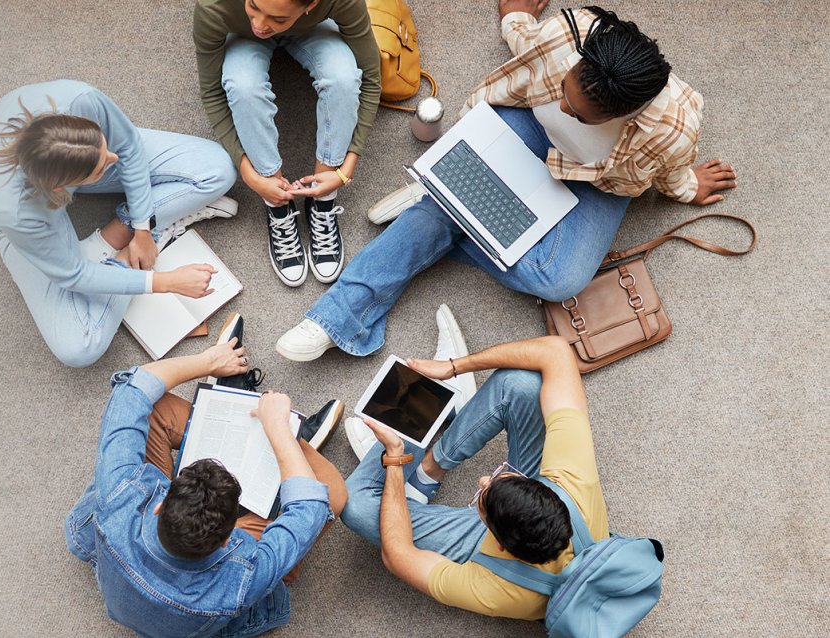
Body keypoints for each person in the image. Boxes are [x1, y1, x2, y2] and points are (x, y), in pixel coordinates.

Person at [274, 2, 738, 362]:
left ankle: (443, 203)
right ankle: (338, 317)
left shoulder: (671, 130)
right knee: (459, 215)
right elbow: (529, 48)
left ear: (621, 114)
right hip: (521, 128)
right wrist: (514, 16)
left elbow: (667, 168)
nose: (563, 108)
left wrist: (684, 186)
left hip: (599, 179)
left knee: (560, 280)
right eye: (564, 92)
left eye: (578, 114)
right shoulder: (568, 35)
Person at [65, 336, 348, 637]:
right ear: (230, 539)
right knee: (332, 490)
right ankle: (282, 436)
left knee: (154, 406)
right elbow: (313, 508)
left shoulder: (120, 495)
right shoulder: (241, 577)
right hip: (215, 615)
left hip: (122, 565)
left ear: (161, 505)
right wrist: (278, 428)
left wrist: (207, 361)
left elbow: (131, 391)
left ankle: (234, 413)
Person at [0, 80, 239, 367]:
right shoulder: (17, 214)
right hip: (26, 213)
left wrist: (143, 227)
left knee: (217, 170)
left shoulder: (79, 100)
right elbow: (73, 275)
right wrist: (163, 282)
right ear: (64, 188)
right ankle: (124, 254)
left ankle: (125, 230)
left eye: (103, 146)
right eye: (102, 166)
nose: (114, 158)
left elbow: (128, 147)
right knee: (79, 347)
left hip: (65, 171)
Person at [340, 335, 612, 621]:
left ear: (498, 545)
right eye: (498, 477)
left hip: (515, 566)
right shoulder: (573, 477)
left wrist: (395, 457)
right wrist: (454, 367)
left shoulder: (497, 590)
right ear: (545, 487)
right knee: (521, 384)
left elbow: (397, 556)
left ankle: (412, 422)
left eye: (481, 496)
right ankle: (425, 474)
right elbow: (555, 351)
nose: (482, 478)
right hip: (540, 523)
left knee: (356, 504)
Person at [194, 0, 382, 286]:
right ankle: (276, 199)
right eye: (254, 5)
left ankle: (323, 197)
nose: (259, 23)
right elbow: (211, 93)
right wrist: (251, 176)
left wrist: (344, 171)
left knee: (344, 80)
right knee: (243, 89)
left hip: (315, 27)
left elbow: (371, 79)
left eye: (276, 19)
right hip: (240, 37)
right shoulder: (214, 6)